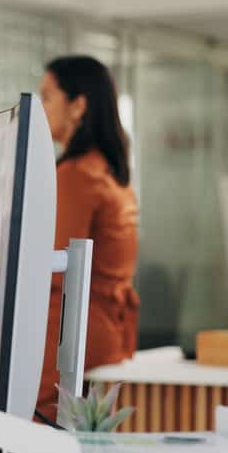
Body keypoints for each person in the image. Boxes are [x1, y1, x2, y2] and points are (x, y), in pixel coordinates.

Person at [36, 55, 140, 422]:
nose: (40, 107)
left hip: (72, 334)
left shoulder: (76, 175)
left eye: (47, 97)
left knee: (42, 443)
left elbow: (53, 275)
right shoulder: (108, 171)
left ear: (78, 105)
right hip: (107, 334)